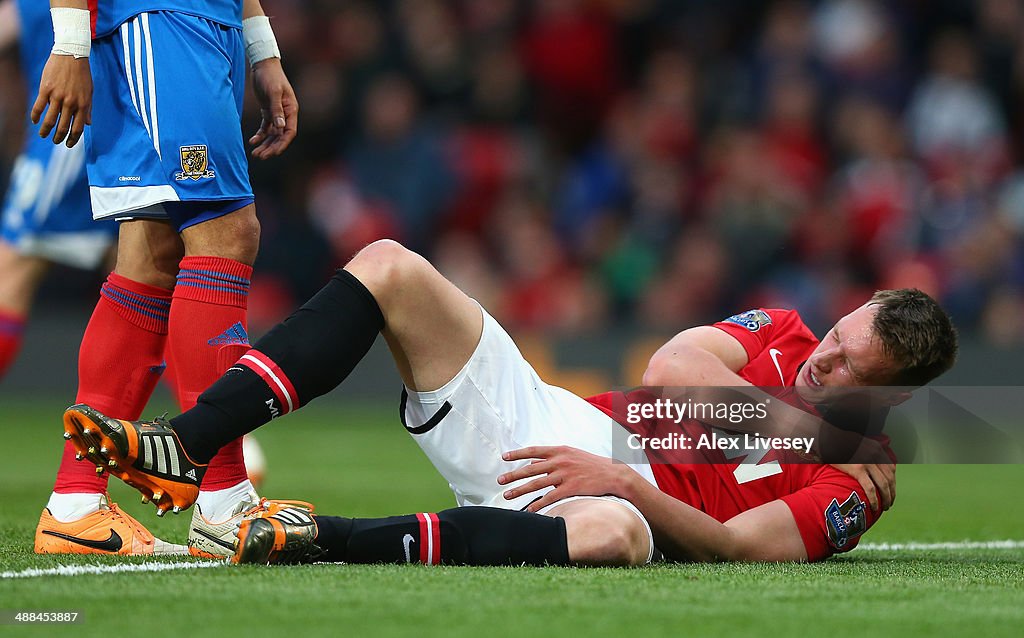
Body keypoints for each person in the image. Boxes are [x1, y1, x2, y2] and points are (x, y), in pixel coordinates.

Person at [63, 240, 958, 565]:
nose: (822, 360)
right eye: (839, 336)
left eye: (847, 371)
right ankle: (186, 443)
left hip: (621, 504)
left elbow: (739, 547)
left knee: (614, 537)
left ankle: (313, 536)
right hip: (557, 423)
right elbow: (673, 367)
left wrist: (629, 482)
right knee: (391, 268)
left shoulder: (860, 478)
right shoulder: (794, 336)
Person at [32, 0, 300, 557]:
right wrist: (70, 43)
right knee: (227, 230)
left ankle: (75, 505)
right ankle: (224, 498)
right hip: (161, 25)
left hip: (201, 27)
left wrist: (261, 49)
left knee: (152, 255)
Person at [0, 0, 117, 382]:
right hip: (84, 123)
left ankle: (223, 422)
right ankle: (223, 421)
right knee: (144, 275)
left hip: (69, 129)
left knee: (11, 268)